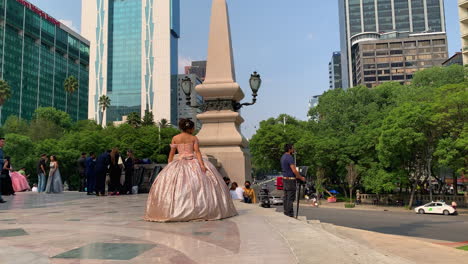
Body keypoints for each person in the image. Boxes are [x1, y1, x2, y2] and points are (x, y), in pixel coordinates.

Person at [144, 118, 237, 222]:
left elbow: (171, 153)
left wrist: (169, 165)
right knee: (198, 186)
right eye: (193, 128)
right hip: (193, 161)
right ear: (190, 128)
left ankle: (175, 210)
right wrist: (202, 165)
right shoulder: (193, 138)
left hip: (178, 162)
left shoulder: (175, 138)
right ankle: (199, 209)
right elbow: (197, 152)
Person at [281, 144, 305, 217]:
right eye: (293, 148)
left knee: (286, 197)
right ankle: (290, 214)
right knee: (290, 198)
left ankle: (286, 212)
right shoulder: (289, 157)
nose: (293, 149)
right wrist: (301, 177)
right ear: (289, 149)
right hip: (290, 180)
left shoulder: (283, 157)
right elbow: (294, 170)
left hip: (285, 180)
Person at [0, 138, 6, 203]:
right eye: (2, 141)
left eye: (4, 142)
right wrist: (3, 160)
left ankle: (0, 198)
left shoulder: (1, 150)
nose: (3, 143)